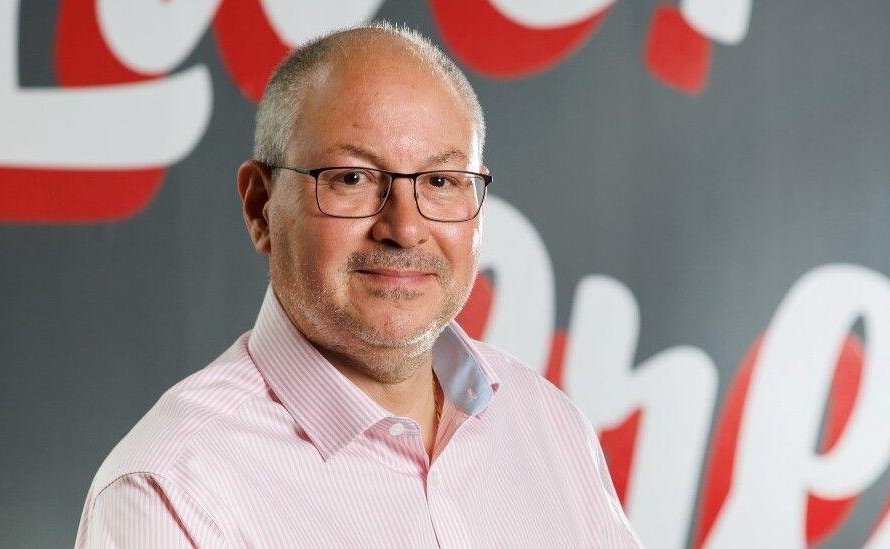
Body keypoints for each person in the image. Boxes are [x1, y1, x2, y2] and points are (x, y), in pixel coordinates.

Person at [75, 22, 641, 548]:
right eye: (352, 178)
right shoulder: (170, 493)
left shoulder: (547, 425)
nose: (404, 227)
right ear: (260, 206)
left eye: (441, 180)